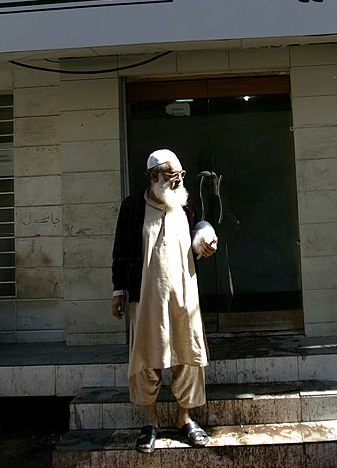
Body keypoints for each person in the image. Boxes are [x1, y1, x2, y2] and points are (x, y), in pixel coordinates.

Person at [111, 149, 219, 454]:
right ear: (155, 176)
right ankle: (152, 422)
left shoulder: (185, 204)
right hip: (146, 300)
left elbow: (194, 240)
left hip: (185, 298)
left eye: (181, 176)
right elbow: (120, 250)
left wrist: (204, 244)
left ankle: (185, 418)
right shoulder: (132, 207)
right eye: (174, 176)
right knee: (146, 359)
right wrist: (119, 291)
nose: (178, 181)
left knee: (187, 354)